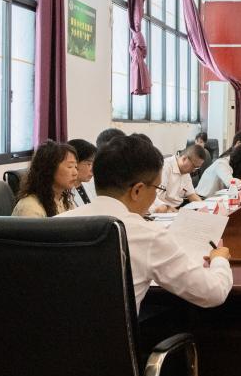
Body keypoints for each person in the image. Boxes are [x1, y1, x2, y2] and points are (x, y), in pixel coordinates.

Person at [59, 133, 232, 312]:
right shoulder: (148, 236)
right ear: (137, 190)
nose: (155, 195)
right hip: (120, 330)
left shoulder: (55, 224)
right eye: (157, 188)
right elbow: (213, 292)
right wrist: (219, 259)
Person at [12, 141, 78, 217]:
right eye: (70, 167)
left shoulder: (64, 201)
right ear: (49, 169)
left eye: (76, 167)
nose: (75, 173)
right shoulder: (30, 207)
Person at [195, 131, 241, 197]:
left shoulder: (234, 163)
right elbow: (231, 184)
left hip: (217, 198)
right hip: (202, 198)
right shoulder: (221, 163)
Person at [152, 144, 207, 213]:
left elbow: (191, 194)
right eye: (194, 166)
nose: (194, 170)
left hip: (178, 208)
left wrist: (204, 207)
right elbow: (156, 198)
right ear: (184, 159)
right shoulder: (165, 167)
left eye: (197, 168)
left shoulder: (185, 172)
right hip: (165, 209)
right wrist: (176, 212)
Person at [67, 138, 97, 207]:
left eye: (94, 164)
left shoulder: (90, 187)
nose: (92, 169)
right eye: (89, 164)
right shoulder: (63, 193)